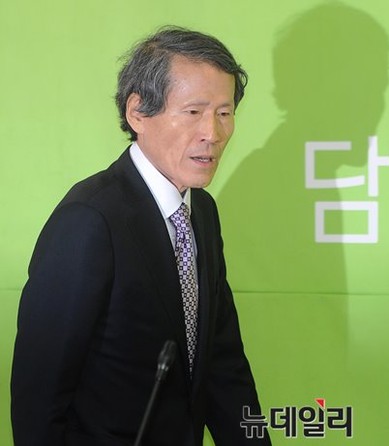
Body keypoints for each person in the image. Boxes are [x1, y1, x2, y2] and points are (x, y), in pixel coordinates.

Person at [11, 26, 271, 445]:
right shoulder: (89, 220)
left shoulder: (202, 212)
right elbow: (39, 393)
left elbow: (223, 365)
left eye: (224, 113)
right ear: (138, 113)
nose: (213, 133)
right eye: (193, 112)